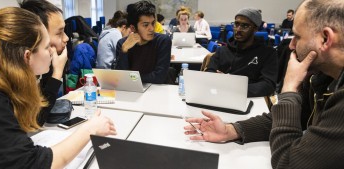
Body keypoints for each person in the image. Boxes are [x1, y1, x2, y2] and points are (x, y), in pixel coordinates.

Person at [0, 7, 116, 168]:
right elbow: (31, 164)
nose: (51, 51)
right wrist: (89, 130)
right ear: (27, 56)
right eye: (47, 46)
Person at [185, 0, 344, 168]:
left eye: (297, 37)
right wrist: (231, 130)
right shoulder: (321, 78)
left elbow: (288, 164)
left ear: (326, 39)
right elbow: (283, 119)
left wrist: (289, 90)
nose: (291, 45)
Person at [206, 8, 277, 97]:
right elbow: (209, 73)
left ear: (255, 29)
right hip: (220, 96)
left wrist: (232, 85)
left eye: (245, 26)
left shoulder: (268, 53)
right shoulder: (222, 51)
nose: (238, 29)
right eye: (236, 24)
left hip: (250, 100)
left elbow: (268, 85)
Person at [20, 0, 69, 126]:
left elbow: (39, 115)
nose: (66, 38)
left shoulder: (41, 65)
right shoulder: (15, 77)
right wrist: (57, 72)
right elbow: (35, 121)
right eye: (59, 33)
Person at [115, 1, 172, 84]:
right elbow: (120, 78)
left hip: (157, 91)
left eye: (153, 23)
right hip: (133, 92)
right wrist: (124, 51)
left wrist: (130, 78)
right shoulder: (123, 44)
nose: (151, 28)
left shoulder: (163, 41)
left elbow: (159, 77)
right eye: (145, 25)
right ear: (133, 28)